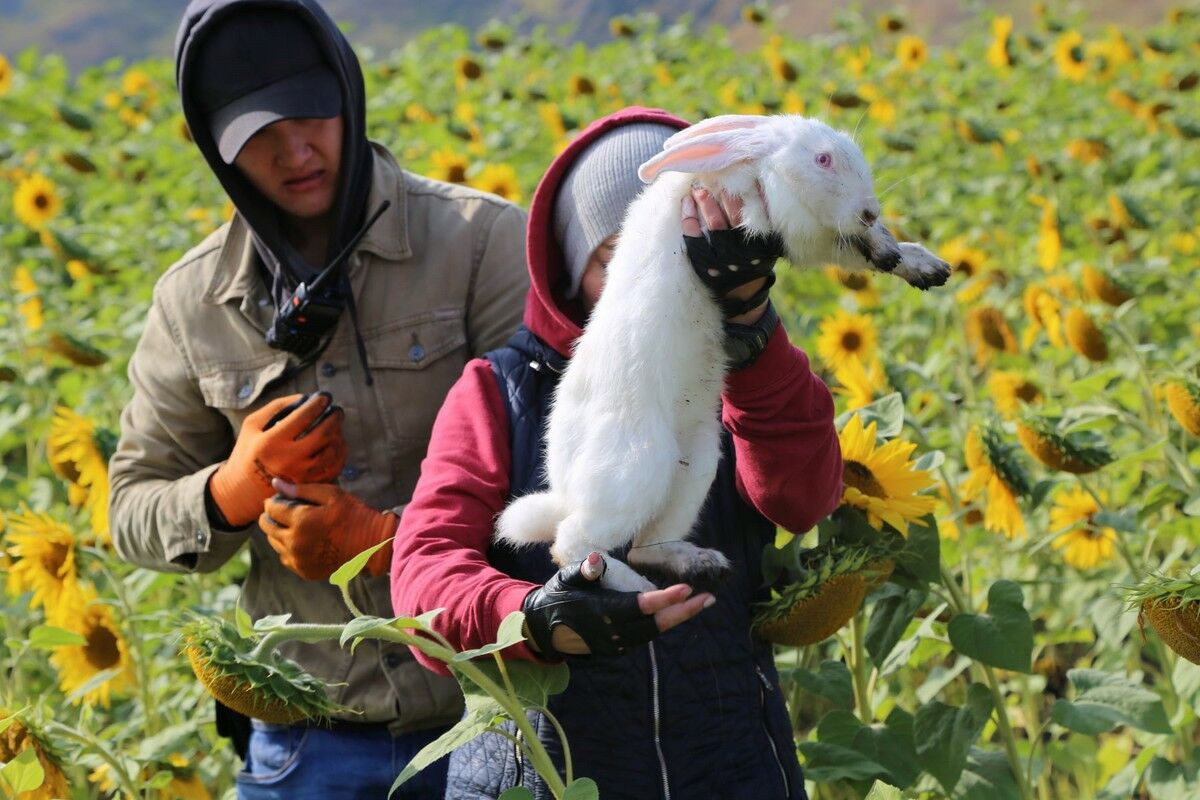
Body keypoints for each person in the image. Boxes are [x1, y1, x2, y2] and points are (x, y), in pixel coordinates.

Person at [108, 0, 528, 796]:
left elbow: (559, 472)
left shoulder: (478, 243)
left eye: (311, 115)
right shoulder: (194, 303)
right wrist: (228, 492)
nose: (296, 151)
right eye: (257, 136)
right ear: (216, 151)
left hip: (496, 708)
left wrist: (384, 541)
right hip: (313, 738)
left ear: (346, 91)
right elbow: (129, 508)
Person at [390, 107, 844, 799]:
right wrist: (533, 618)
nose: (653, 277)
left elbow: (802, 498)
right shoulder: (501, 392)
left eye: (678, 247)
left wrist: (753, 326)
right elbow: (424, 576)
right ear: (575, 270)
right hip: (542, 776)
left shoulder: (738, 369)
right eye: (619, 257)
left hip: (727, 769)